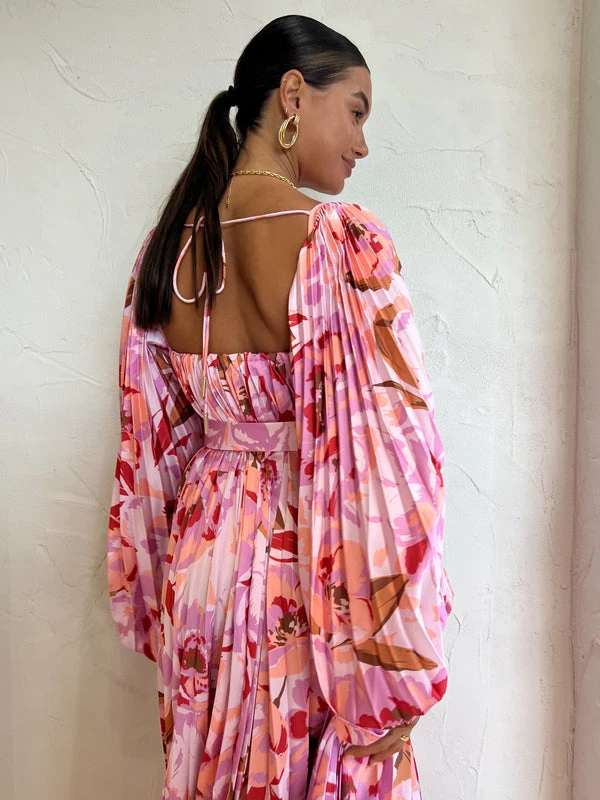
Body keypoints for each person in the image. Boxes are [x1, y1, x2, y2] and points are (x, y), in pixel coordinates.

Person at [107, 13, 453, 800]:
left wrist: (157, 594)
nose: (362, 143)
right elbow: (392, 459)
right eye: (356, 111)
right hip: (306, 568)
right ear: (293, 95)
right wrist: (394, 661)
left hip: (200, 563)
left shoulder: (165, 249)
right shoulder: (337, 243)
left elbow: (149, 446)